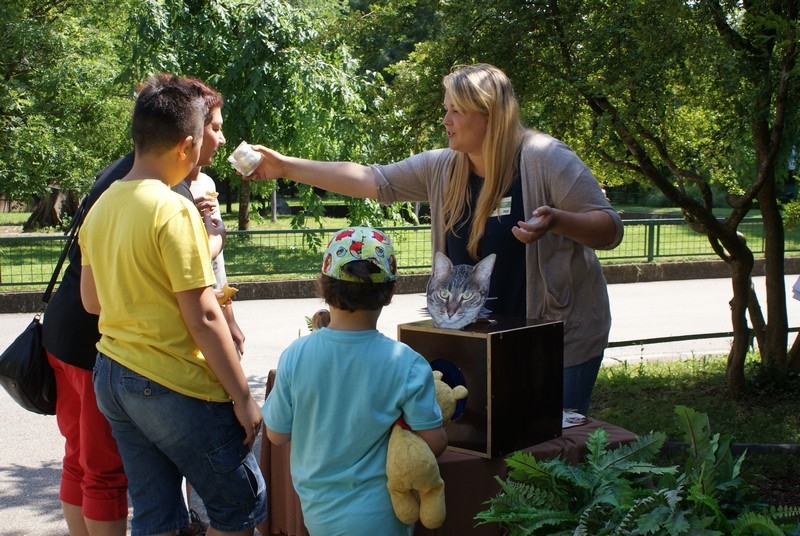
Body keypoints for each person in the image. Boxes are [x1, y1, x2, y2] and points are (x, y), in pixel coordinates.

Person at [246, 63, 623, 416]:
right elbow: (371, 180)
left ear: (490, 113)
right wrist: (285, 167)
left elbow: (609, 229)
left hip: (557, 344)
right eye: (447, 109)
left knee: (553, 457)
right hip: (478, 343)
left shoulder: (546, 158)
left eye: (457, 111)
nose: (446, 121)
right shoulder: (442, 166)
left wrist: (558, 220)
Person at [42, 75, 238, 536]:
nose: (221, 138)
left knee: (83, 462)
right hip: (108, 348)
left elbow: (97, 285)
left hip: (65, 334)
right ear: (186, 139)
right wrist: (211, 240)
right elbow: (190, 296)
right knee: (107, 474)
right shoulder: (167, 194)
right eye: (213, 126)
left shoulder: (113, 183)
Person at [262, 226, 447, 536]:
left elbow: (277, 435)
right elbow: (434, 443)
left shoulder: (296, 355)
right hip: (386, 515)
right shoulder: (407, 362)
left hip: (319, 515)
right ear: (389, 292)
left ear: (323, 286)